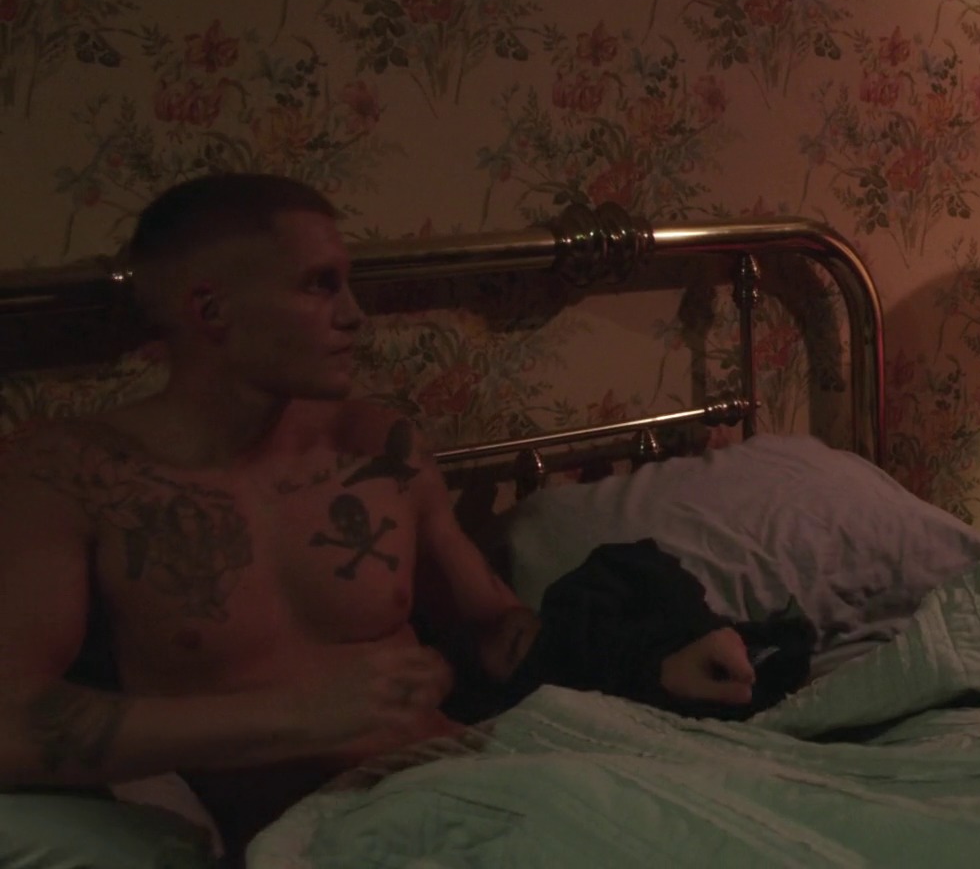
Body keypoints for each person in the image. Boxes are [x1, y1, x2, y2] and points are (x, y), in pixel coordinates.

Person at [0, 174, 757, 857]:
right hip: (328, 833)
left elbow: (492, 628)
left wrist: (651, 650)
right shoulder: (74, 476)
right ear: (211, 308)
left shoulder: (377, 447)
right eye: (319, 286)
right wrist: (298, 715)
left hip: (482, 778)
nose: (355, 317)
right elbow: (10, 719)